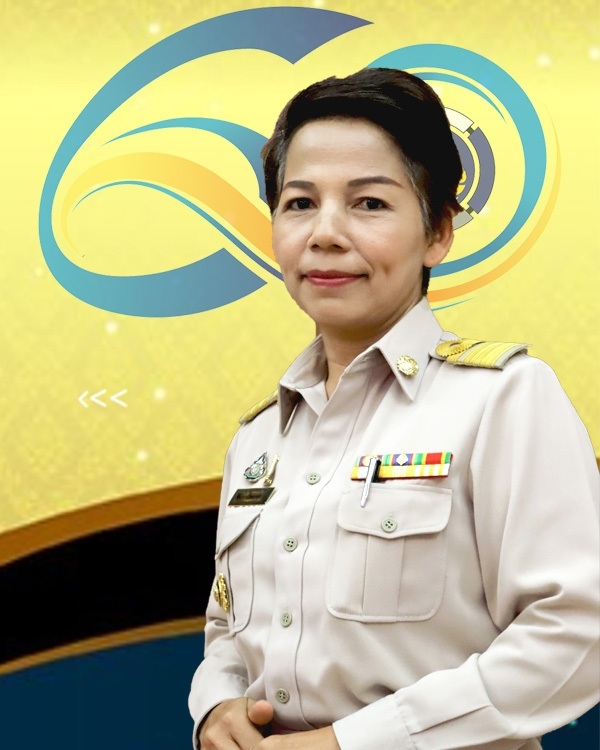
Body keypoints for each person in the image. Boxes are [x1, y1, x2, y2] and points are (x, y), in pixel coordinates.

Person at [188, 68, 599, 750]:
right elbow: (228, 629)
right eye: (299, 203)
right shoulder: (258, 439)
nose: (324, 233)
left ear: (437, 231)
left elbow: (578, 632)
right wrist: (216, 706)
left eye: (369, 203)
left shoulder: (503, 400)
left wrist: (351, 742)